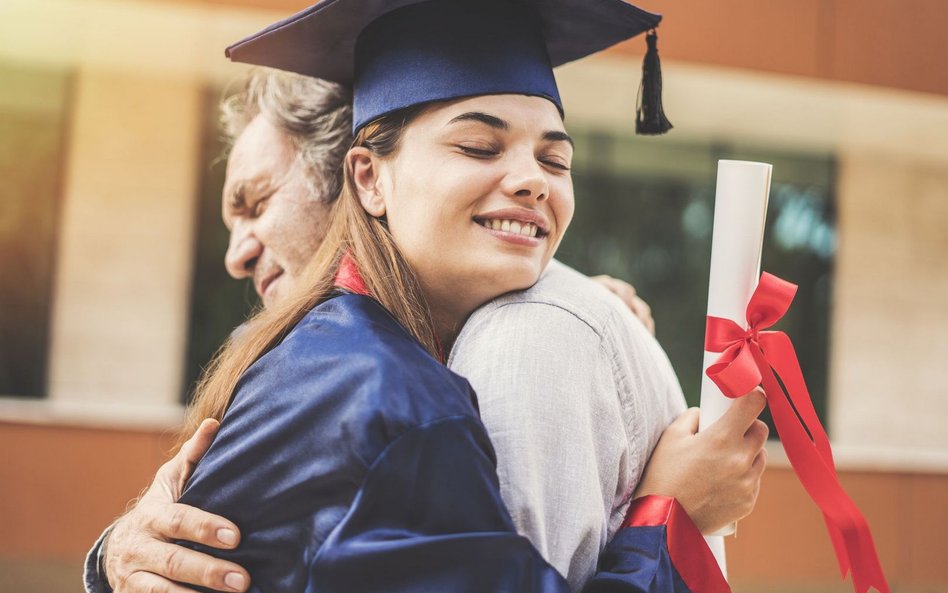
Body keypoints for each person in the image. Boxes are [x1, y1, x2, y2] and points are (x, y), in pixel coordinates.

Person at [85, 1, 768, 592]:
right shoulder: (398, 402)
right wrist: (668, 512)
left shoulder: (314, 356)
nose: (532, 180)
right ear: (369, 179)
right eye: (477, 145)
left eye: (556, 160)